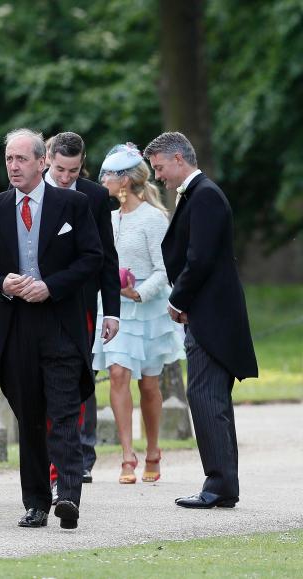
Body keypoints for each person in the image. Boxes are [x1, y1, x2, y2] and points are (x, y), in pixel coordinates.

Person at [0, 128, 103, 530]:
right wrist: (1, 284)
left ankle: (67, 495)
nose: (13, 166)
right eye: (8, 159)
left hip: (61, 322)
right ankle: (35, 503)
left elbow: (93, 259)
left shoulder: (73, 204)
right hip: (17, 325)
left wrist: (52, 285)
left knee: (64, 412)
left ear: (41, 161)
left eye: (21, 159)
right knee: (29, 416)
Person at [144, 132, 258, 509]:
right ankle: (222, 483)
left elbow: (201, 259)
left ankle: (220, 485)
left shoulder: (205, 195)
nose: (158, 176)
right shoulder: (200, 194)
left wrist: (177, 300)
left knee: (205, 396)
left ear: (178, 159)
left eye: (159, 168)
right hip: (209, 312)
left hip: (211, 316)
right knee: (209, 397)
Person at [92, 143, 184, 484]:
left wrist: (139, 292)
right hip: (115, 307)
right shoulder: (107, 218)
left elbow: (164, 270)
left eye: (108, 176)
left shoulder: (153, 218)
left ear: (126, 181)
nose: (103, 180)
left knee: (149, 383)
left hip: (146, 307)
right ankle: (126, 454)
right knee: (117, 373)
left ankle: (154, 449)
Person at [45, 132, 121, 485]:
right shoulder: (25, 193)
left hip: (82, 304)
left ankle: (72, 459)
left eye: (73, 171)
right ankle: (45, 457)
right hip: (34, 303)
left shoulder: (94, 196)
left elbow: (107, 257)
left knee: (77, 377)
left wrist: (112, 311)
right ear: (48, 158)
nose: (65, 178)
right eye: (60, 169)